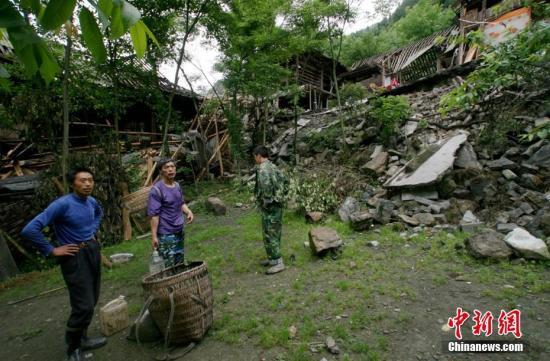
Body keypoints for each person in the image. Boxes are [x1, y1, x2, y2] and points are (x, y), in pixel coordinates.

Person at [21, 168, 106, 361]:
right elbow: (29, 229)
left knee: (91, 300)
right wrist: (51, 250)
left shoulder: (91, 202)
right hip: (73, 256)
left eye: (90, 180)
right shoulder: (62, 205)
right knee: (82, 305)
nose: (87, 184)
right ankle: (73, 348)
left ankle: (83, 339)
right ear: (72, 183)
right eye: (83, 180)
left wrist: (92, 229)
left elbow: (99, 213)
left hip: (92, 250)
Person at [147, 158, 194, 267]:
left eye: (172, 167)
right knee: (168, 264)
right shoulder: (156, 190)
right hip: (166, 234)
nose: (170, 169)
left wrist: (188, 211)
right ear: (161, 171)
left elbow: (181, 203)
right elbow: (154, 216)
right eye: (167, 167)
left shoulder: (177, 186)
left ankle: (178, 282)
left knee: (180, 261)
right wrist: (154, 236)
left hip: (179, 230)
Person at [253, 145, 286, 275]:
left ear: (259, 156)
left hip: (270, 206)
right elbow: (285, 181)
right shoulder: (273, 166)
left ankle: (278, 262)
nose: (255, 159)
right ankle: (272, 259)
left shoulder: (263, 169)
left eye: (255, 157)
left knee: (271, 233)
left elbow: (266, 185)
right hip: (277, 204)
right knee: (270, 231)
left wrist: (267, 200)